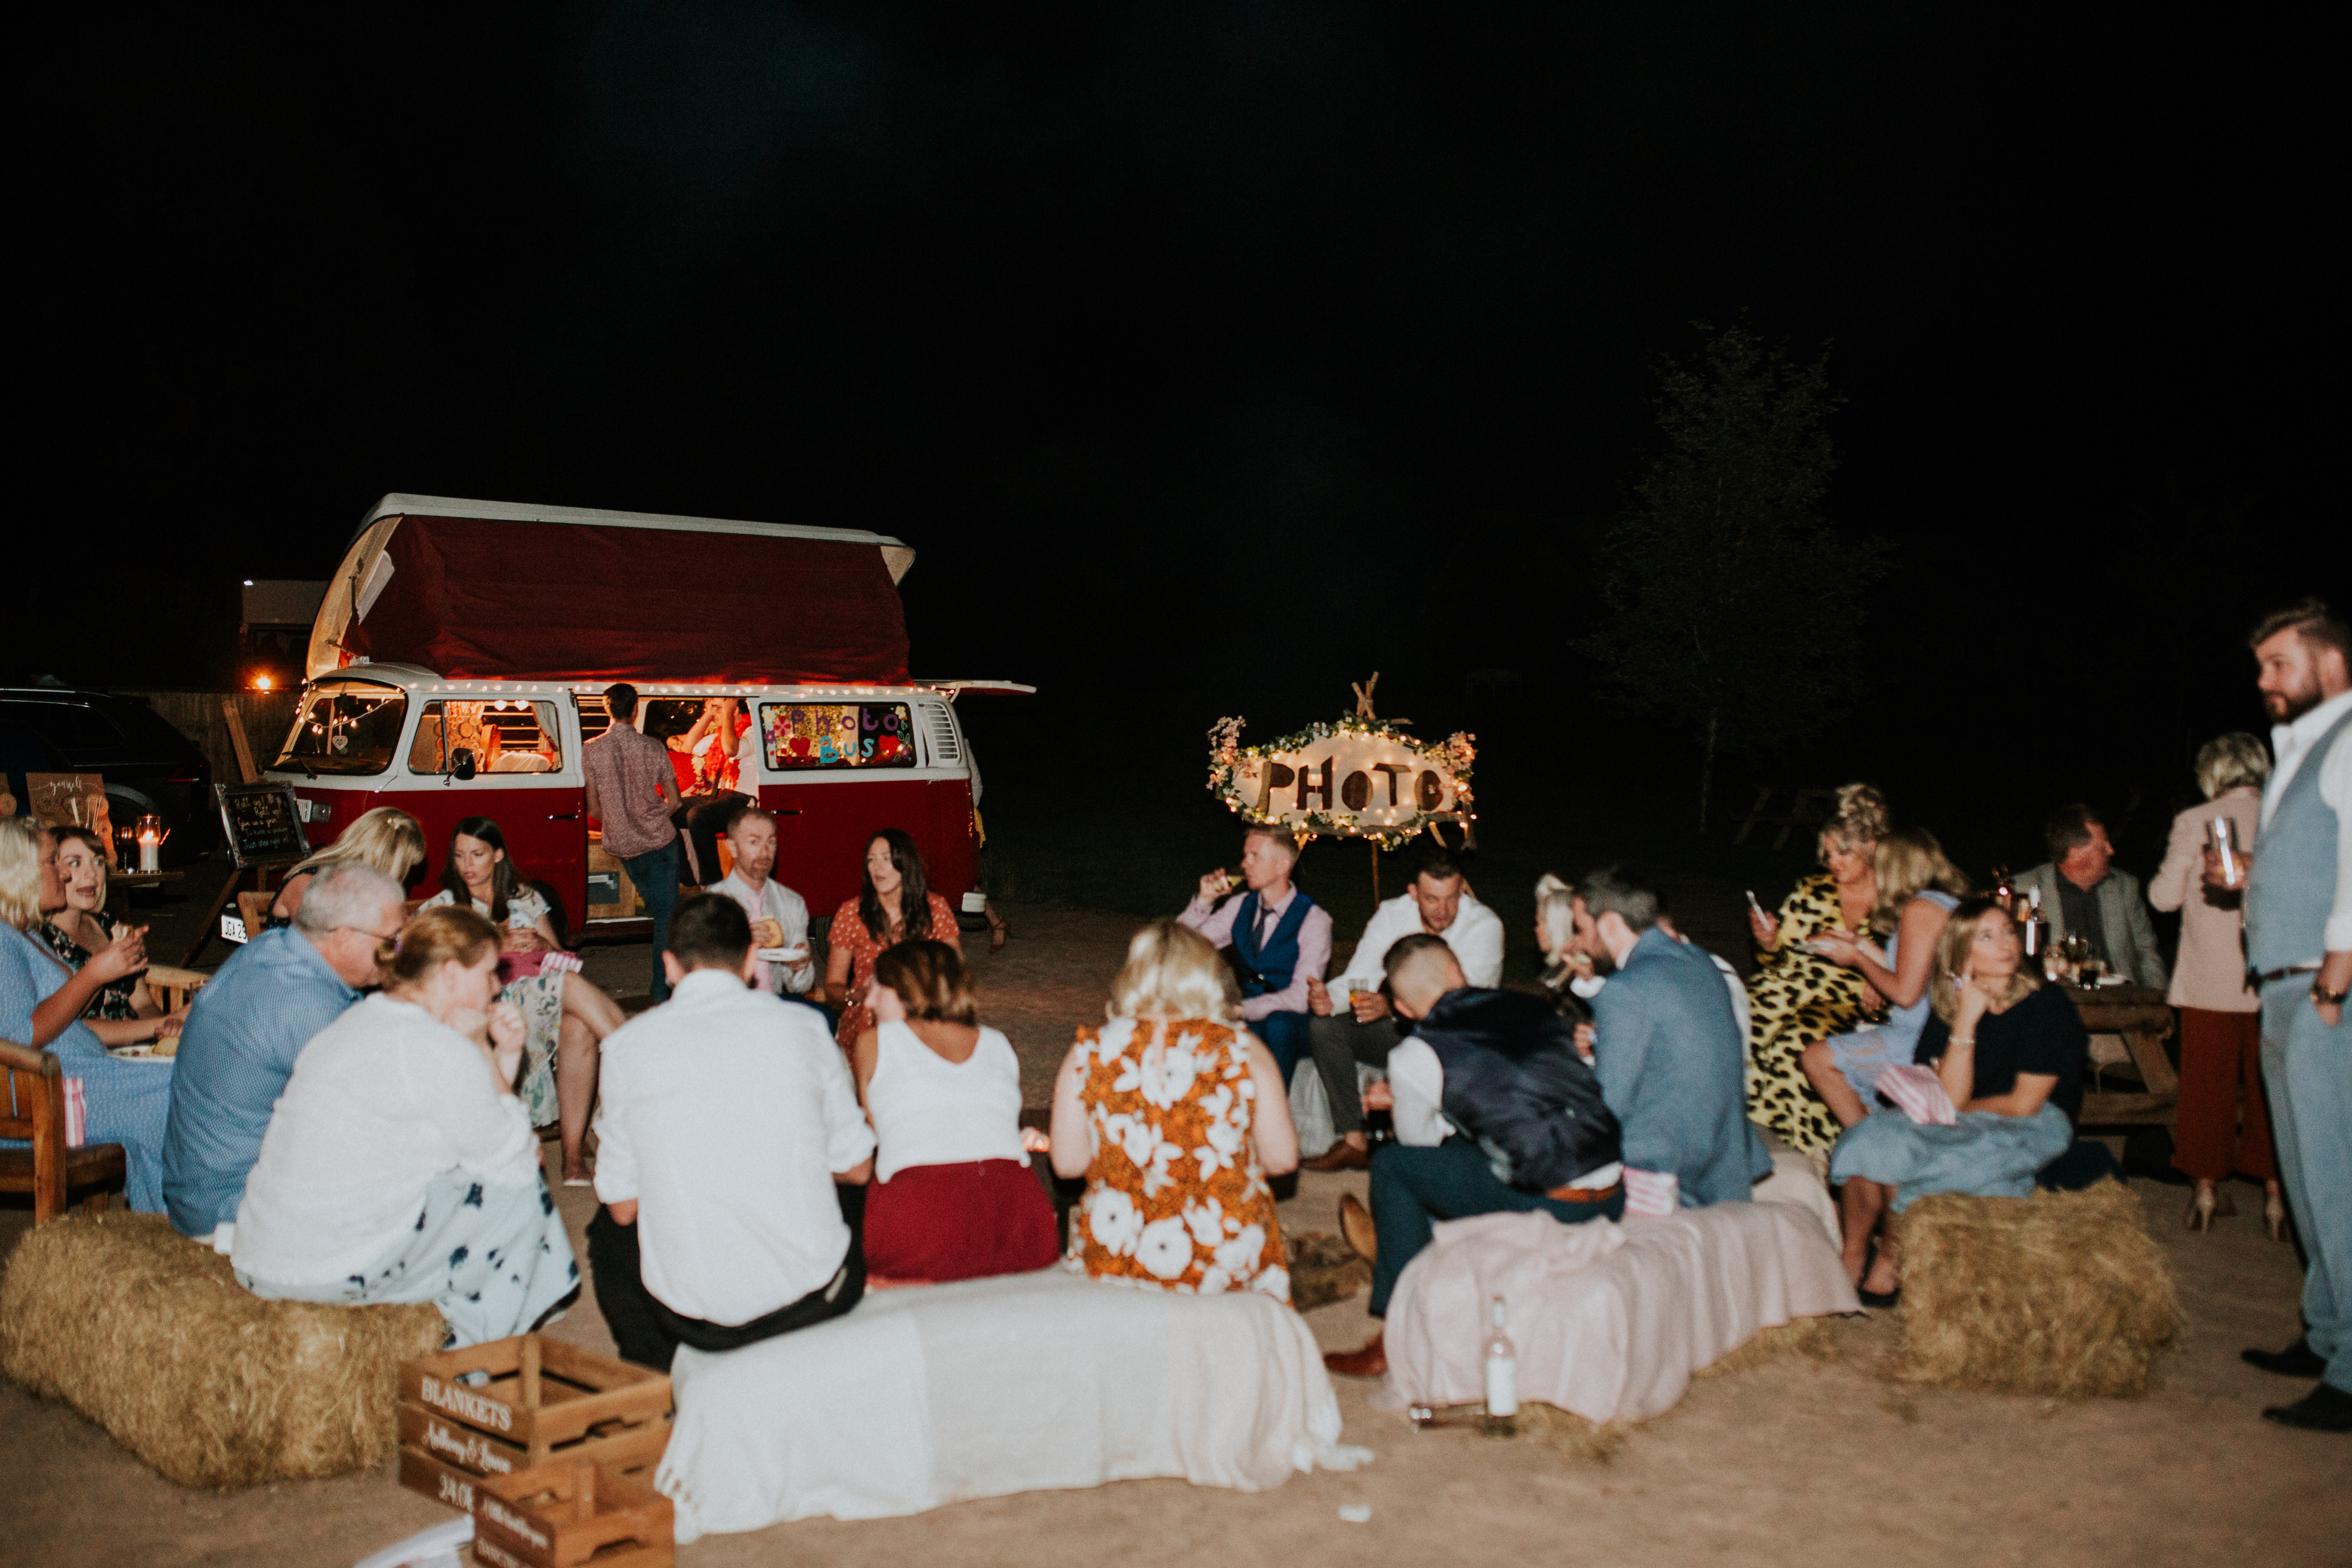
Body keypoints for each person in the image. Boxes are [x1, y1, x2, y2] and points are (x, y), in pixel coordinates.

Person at [230, 905, 578, 1348]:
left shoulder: (361, 1020)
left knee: (477, 1179)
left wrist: (501, 1059)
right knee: (520, 1198)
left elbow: (469, 1133)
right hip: (320, 1271)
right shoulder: (436, 1047)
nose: (498, 986)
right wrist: (482, 1050)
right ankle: (471, 1352)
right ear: (451, 975)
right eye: (491, 973)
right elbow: (518, 1159)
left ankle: (493, 1318)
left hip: (264, 1254)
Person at [589, 894, 875, 1370]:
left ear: (670, 967)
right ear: (749, 961)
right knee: (859, 1181)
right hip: (811, 1299)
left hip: (693, 1319)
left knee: (606, 1231)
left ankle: (655, 1367)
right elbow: (857, 1167)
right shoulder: (805, 1029)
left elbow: (623, 1207)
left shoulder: (626, 1048)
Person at [1321, 935, 1624, 1379]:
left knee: (1393, 1168)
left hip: (1555, 1200)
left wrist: (1407, 1099)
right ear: (1458, 972)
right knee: (1471, 1143)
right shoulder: (1534, 1009)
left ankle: (1399, 1332)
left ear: (1403, 1010)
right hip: (1614, 1189)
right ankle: (1413, 1251)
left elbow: (1417, 1145)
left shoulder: (1414, 1054)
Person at [1829, 898, 2088, 1306]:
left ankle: (1893, 1260)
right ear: (1962, 951)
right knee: (1868, 1139)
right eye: (1987, 937)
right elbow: (1950, 1096)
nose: (2005, 944)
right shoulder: (1951, 1003)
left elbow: (2023, 1104)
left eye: (2007, 932)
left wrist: (1947, 1111)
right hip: (1962, 1112)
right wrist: (1966, 1019)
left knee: (1914, 1157)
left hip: (2030, 1123)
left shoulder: (2046, 1005)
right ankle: (1854, 1252)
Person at [2234, 598, 2352, 1432]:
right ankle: (2327, 1331)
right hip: (2283, 983)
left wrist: (2335, 982)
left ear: (2331, 662)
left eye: (2280, 664)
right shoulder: (2299, 750)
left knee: (2340, 1181)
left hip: (2323, 987)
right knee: (2307, 1178)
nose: (2265, 682)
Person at [1049, 921, 1296, 1301]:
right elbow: (1281, 1160)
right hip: (1222, 1254)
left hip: (1119, 1251)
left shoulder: (1090, 1051)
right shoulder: (1244, 1050)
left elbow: (1067, 1164)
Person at [161, 861, 409, 1239]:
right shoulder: (309, 1005)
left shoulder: (267, 948)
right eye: (390, 941)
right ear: (343, 937)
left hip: (195, 1194)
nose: (397, 954)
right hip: (236, 1210)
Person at [1797, 827, 1970, 1285]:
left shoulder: (1918, 909)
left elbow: (1905, 993)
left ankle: (1869, 1147)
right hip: (1929, 1030)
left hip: (1918, 1038)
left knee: (1817, 1058)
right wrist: (1855, 946)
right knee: (1827, 1059)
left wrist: (1858, 962)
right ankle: (1872, 1153)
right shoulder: (1941, 903)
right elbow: (1911, 971)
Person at [421, 817, 624, 1186]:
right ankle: (639, 1053)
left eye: (477, 855)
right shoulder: (446, 906)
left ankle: (573, 1156)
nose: (467, 865)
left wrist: (545, 946)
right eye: (460, 856)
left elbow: (563, 955)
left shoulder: (526, 897)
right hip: (495, 1000)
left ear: (498, 855)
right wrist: (495, 941)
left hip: (542, 989)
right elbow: (427, 965)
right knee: (570, 986)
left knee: (579, 1026)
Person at [851, 940, 1058, 1283]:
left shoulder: (874, 1043)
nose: (869, 1002)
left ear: (908, 989)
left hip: (922, 1212)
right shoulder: (998, 1043)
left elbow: (877, 1134)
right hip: (1015, 1212)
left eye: (878, 988)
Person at [0, 819, 176, 1213]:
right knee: (179, 1091)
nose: (64, 873)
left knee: (189, 1077)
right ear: (19, 872)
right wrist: (95, 974)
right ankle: (183, 1228)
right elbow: (20, 1036)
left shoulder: (20, 933)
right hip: (43, 1102)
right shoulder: (1, 940)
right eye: (53, 863)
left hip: (76, 1081)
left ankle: (167, 1228)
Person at [1573, 864, 1771, 1209]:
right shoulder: (1699, 961)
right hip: (1726, 1164)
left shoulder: (1626, 992)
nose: (1579, 941)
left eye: (1581, 928)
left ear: (1609, 924)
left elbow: (1607, 1109)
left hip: (1670, 1173)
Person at [1298, 842, 1503, 1171]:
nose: (1443, 910)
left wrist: (1392, 1006)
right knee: (1325, 1028)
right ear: (1413, 892)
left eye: (1452, 898)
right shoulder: (1393, 915)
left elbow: (1464, 1006)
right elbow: (1361, 974)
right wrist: (1330, 1000)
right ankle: (1355, 1141)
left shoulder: (1483, 927)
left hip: (1456, 1042)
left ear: (1463, 889)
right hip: (1401, 1032)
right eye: (1432, 899)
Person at [2149, 732, 2281, 1235]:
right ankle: (2275, 1198)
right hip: (2269, 978)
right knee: (2270, 1091)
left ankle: (2205, 1190)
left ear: (2212, 773)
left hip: (2209, 982)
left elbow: (2163, 899)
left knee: (2207, 1088)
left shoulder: (2194, 821)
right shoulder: (2281, 815)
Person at [1744, 783, 1891, 1156]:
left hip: (1846, 1005)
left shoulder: (1896, 902)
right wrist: (1769, 943)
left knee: (1795, 1046)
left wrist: (1881, 979)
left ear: (1871, 849)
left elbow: (1912, 970)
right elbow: (1779, 961)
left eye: (1844, 852)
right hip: (1787, 990)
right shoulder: (1812, 891)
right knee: (1738, 1025)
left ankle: (1803, 1150)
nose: (1834, 862)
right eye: (1828, 855)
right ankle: (1738, 1137)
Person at [1174, 824, 1330, 1087]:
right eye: (1246, 855)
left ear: (1282, 866)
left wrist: (1241, 1010)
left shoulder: (1314, 920)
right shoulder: (1240, 906)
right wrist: (1203, 902)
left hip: (1294, 1025)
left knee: (1278, 1026)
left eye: (1254, 856)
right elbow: (1180, 948)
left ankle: (1273, 1114)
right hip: (1248, 1014)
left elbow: (1301, 997)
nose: (1244, 864)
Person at [582, 682, 684, 1001]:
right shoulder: (653, 747)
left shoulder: (590, 749)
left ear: (606, 708)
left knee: (662, 917)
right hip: (659, 842)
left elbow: (594, 809)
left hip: (623, 846)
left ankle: (669, 986)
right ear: (636, 709)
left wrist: (620, 823)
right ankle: (662, 990)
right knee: (667, 920)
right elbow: (676, 801)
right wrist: (654, 819)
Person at [38, 825, 185, 1046]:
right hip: (89, 1055)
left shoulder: (110, 926)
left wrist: (165, 1030)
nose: (92, 873)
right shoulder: (43, 940)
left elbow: (143, 1003)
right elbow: (67, 1029)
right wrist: (158, 1025)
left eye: (97, 862)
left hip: (137, 1047)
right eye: (75, 863)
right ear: (54, 871)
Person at [820, 829, 961, 1055]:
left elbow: (957, 973)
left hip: (923, 1015)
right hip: (868, 1019)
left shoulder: (934, 909)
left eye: (887, 859)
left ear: (905, 863)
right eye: (871, 860)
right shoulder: (852, 913)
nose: (878, 867)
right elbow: (833, 988)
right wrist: (859, 995)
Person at [2013, 805, 2168, 990]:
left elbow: (2147, 953)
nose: (2112, 851)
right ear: (2076, 853)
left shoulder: (2124, 888)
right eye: (2103, 846)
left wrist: (2155, 1000)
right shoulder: (2024, 890)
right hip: (2057, 999)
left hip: (2119, 1000)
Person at [710, 806, 815, 997]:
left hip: (771, 1010)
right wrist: (739, 944)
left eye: (771, 842)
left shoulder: (792, 903)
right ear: (733, 848)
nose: (765, 852)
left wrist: (797, 967)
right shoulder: (711, 903)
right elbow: (678, 978)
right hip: (723, 1012)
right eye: (754, 842)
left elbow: (800, 987)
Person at [264, 806, 428, 927]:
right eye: (404, 866)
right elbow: (326, 947)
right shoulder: (308, 882)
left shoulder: (355, 886)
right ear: (386, 861)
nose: (402, 877)